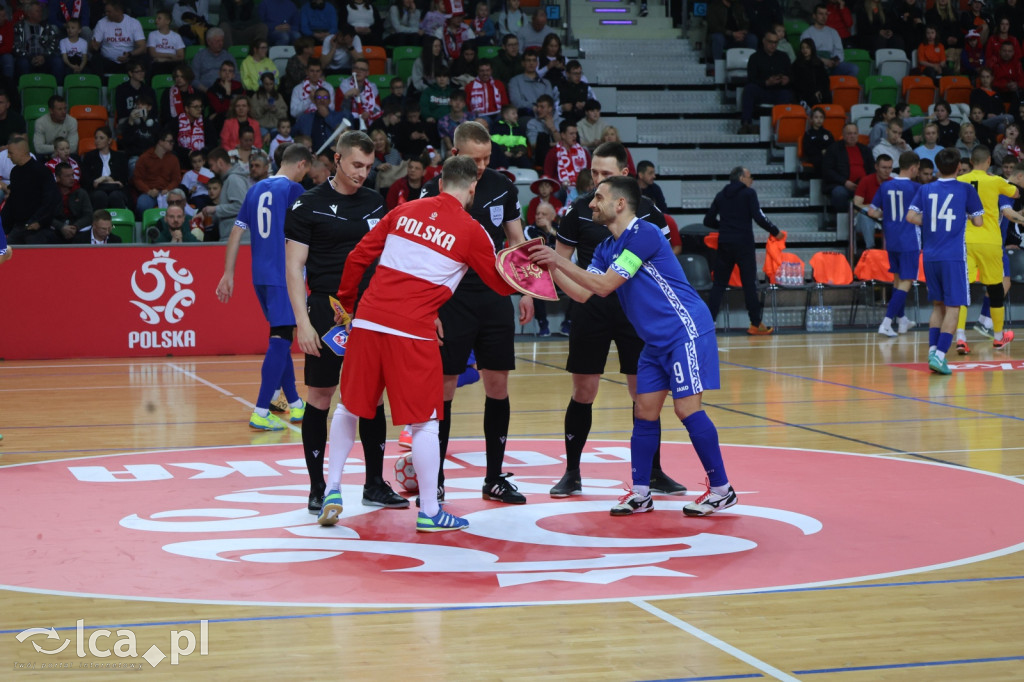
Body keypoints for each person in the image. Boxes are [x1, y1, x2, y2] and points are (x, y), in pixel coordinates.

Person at [316, 154, 518, 530]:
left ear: (440, 184)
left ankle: (332, 488)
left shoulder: (404, 210)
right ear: (472, 188)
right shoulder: (473, 231)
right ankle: (428, 511)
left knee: (349, 407)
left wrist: (345, 304)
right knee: (426, 423)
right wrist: (530, 272)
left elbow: (359, 256)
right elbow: (499, 284)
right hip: (412, 331)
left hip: (369, 321)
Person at [531, 176, 737, 517]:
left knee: (686, 410)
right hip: (655, 341)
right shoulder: (604, 248)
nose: (591, 204)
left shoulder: (644, 234)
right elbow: (585, 293)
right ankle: (640, 493)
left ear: (620, 204)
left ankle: (722, 489)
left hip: (684, 330)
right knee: (644, 412)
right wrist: (545, 270)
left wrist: (556, 260)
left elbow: (605, 284)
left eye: (598, 198)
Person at [548, 141, 686, 496]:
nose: (596, 181)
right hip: (590, 307)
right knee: (584, 391)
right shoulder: (579, 210)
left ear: (625, 176)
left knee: (644, 395)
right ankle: (572, 472)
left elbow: (665, 263)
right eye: (593, 172)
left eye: (605, 174)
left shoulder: (651, 214)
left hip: (635, 312)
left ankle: (652, 472)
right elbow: (560, 263)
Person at [284, 130, 404, 514]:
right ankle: (318, 486)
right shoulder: (308, 204)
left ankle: (374, 484)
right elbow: (293, 267)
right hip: (325, 311)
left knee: (372, 397)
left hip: (370, 312)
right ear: (336, 159)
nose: (363, 173)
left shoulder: (375, 202)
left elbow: (389, 257)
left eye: (369, 167)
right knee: (320, 397)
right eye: (356, 165)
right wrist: (303, 323)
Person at [419, 120, 534, 504]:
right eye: (474, 158)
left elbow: (517, 241)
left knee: (497, 386)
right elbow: (421, 254)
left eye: (487, 157)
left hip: (494, 297)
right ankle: (434, 480)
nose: (482, 165)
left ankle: (494, 477)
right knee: (443, 389)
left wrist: (527, 291)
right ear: (455, 155)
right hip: (450, 300)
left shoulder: (503, 186)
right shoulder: (433, 189)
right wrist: (426, 307)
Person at [217, 143, 311, 431]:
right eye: (306, 170)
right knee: (282, 338)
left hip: (260, 275)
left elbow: (236, 232)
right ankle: (260, 410)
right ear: (301, 165)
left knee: (279, 337)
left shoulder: (255, 189)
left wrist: (227, 274)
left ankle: (295, 404)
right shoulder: (294, 190)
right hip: (284, 275)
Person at [906, 148, 984, 375]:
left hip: (930, 255)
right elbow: (978, 222)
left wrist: (931, 223)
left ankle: (932, 351)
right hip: (953, 257)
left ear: (938, 167)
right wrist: (965, 216)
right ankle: (940, 356)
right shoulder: (966, 189)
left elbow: (911, 217)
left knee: (937, 305)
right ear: (959, 165)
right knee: (954, 307)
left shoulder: (926, 188)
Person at [955, 145, 1018, 353]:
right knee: (995, 288)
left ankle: (961, 338)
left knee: (963, 290)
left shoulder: (960, 180)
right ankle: (999, 337)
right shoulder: (996, 181)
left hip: (966, 240)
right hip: (991, 241)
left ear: (971, 162)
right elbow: (1016, 192)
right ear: (989, 161)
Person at [704, 166, 780, 335]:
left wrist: (723, 227)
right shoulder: (748, 194)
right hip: (744, 244)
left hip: (725, 243)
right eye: (749, 176)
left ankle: (709, 324)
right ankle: (755, 323)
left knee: (719, 284)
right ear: (741, 178)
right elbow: (759, 217)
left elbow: (708, 220)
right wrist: (775, 231)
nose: (751, 180)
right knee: (749, 284)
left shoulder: (721, 195)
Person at [867, 150, 921, 337]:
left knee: (898, 279)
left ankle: (902, 320)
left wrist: (886, 215)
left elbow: (872, 212)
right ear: (913, 167)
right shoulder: (916, 188)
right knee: (906, 281)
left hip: (891, 239)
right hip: (909, 239)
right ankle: (887, 322)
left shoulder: (885, 186)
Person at [1, 136, 58, 244]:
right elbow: (13, 200)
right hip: (18, 226)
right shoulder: (15, 172)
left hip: (36, 228)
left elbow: (51, 199)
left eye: (11, 153)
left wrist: (39, 221)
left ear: (21, 152)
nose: (8, 156)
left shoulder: (42, 171)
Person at [739, 30, 792, 135]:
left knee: (786, 94)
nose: (773, 45)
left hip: (778, 90)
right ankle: (746, 123)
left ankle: (780, 127)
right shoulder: (755, 57)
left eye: (775, 42)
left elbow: (791, 75)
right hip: (762, 90)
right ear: (764, 41)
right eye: (770, 42)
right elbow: (751, 79)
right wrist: (766, 82)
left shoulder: (783, 57)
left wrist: (787, 79)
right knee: (749, 89)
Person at [822, 123, 874, 215]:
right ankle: (848, 217)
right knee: (839, 193)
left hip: (863, 185)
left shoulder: (865, 150)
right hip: (841, 185)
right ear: (843, 135)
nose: (852, 136)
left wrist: (865, 183)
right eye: (849, 133)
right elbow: (827, 171)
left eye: (855, 133)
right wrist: (845, 182)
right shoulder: (833, 149)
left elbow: (872, 169)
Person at [203, 147, 250, 239]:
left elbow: (241, 206)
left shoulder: (233, 179)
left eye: (211, 165)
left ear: (220, 163)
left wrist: (215, 209)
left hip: (239, 239)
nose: (210, 169)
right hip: (234, 237)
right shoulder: (229, 179)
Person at [132, 131, 182, 216]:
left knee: (179, 201)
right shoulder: (145, 158)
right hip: (149, 193)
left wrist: (168, 189)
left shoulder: (173, 159)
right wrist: (148, 191)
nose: (172, 143)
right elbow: (137, 179)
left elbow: (176, 179)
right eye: (170, 141)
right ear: (160, 142)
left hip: (167, 193)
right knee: (142, 204)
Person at [80, 127, 130, 211]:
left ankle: (118, 223)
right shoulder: (89, 157)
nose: (97, 140)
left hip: (116, 189)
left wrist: (106, 179)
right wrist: (99, 180)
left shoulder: (120, 157)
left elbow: (124, 178)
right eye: (96, 138)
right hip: (96, 189)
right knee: (100, 196)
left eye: (101, 138)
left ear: (109, 141)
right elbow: (85, 179)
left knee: (115, 196)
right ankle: (99, 223)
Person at [800, 4, 857, 76]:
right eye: (821, 14)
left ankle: (839, 86)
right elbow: (806, 55)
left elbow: (839, 51)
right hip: (816, 66)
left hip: (832, 64)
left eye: (826, 14)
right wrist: (823, 61)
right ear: (814, 16)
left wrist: (835, 61)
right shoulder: (807, 33)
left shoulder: (833, 32)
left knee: (853, 68)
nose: (824, 17)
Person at [90, 0, 145, 74]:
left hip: (129, 61)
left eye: (109, 12)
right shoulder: (101, 23)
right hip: (108, 61)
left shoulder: (133, 23)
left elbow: (142, 47)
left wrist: (130, 54)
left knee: (144, 59)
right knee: (96, 59)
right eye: (106, 11)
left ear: (119, 11)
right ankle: (101, 84)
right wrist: (93, 47)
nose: (106, 14)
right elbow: (93, 45)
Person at [853, 153, 894, 251]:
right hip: (866, 219)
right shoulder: (866, 180)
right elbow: (856, 205)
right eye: (884, 167)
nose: (887, 171)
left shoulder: (893, 182)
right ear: (876, 167)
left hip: (885, 217)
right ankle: (870, 249)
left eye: (889, 168)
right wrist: (874, 208)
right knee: (864, 215)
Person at [14, 1, 63, 81]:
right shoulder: (19, 26)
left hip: (44, 57)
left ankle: (58, 90)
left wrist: (44, 56)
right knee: (22, 63)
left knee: (57, 61)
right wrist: (30, 57)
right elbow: (16, 46)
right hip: (26, 58)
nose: (40, 13)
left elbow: (54, 44)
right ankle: (24, 89)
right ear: (29, 14)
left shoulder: (46, 26)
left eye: (41, 11)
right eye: (37, 11)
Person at [50, 162, 92, 243]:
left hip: (77, 227)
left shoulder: (81, 193)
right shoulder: (51, 193)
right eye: (67, 176)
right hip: (56, 227)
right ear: (58, 178)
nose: (72, 178)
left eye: (72, 175)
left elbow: (88, 215)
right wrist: (61, 226)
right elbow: (46, 215)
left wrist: (76, 227)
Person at [295, 87, 347, 152]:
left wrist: (327, 116)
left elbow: (345, 133)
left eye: (325, 98)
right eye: (319, 98)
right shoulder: (304, 118)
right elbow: (292, 135)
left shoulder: (339, 116)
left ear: (330, 101)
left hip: (333, 154)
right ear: (314, 101)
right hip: (311, 155)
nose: (322, 100)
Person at [508, 48, 554, 119]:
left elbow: (549, 102)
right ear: (523, 63)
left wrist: (538, 107)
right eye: (528, 60)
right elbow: (516, 102)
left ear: (537, 63)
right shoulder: (514, 81)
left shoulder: (546, 82)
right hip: (525, 116)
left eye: (534, 60)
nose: (531, 63)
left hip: (545, 116)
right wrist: (535, 107)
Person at [191, 28, 237, 93]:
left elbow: (236, 76)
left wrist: (228, 89)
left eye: (222, 41)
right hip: (205, 92)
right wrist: (207, 91)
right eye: (217, 41)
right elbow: (194, 79)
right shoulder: (199, 56)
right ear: (208, 42)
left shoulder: (228, 56)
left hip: (226, 92)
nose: (221, 43)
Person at [791, 38, 831, 108]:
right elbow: (797, 83)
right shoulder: (796, 64)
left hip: (818, 91)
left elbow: (825, 80)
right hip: (804, 93)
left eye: (807, 47)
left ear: (812, 49)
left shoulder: (818, 63)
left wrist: (819, 90)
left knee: (827, 96)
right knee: (812, 99)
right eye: (803, 48)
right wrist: (813, 92)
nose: (805, 50)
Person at [115, 62, 157, 128]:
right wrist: (133, 115)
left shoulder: (149, 90)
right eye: (138, 71)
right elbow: (121, 111)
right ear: (130, 73)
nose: (142, 74)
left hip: (145, 117)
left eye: (143, 71)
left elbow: (154, 110)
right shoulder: (121, 89)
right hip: (127, 118)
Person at [148, 10, 186, 75]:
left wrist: (164, 59)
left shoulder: (176, 36)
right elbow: (153, 54)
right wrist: (170, 55)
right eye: (156, 18)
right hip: (158, 64)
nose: (156, 20)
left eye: (159, 18)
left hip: (173, 64)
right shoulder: (152, 34)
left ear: (167, 21)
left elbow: (181, 56)